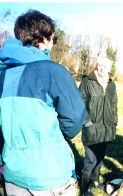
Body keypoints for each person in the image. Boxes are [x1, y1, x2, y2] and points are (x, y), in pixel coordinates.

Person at [0, 10, 85, 196]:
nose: (53, 43)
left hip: (13, 173)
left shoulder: (3, 75)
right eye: (53, 38)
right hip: (49, 176)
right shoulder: (53, 72)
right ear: (44, 39)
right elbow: (74, 120)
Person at [79, 56, 118, 196]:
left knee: (100, 157)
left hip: (106, 127)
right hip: (92, 127)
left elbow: (114, 105)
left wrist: (114, 122)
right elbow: (80, 103)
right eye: (99, 65)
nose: (101, 68)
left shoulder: (112, 84)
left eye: (105, 66)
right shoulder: (87, 81)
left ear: (110, 69)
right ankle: (85, 188)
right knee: (90, 160)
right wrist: (86, 121)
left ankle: (95, 181)